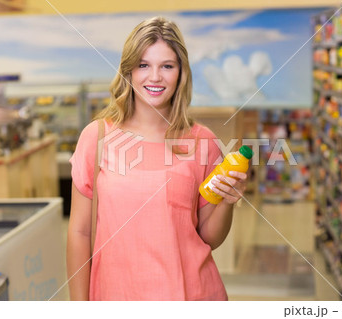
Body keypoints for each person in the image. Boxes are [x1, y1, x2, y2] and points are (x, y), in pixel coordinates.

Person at [67, 16, 248, 301]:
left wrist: (228, 200)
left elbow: (209, 238)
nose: (155, 77)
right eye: (143, 65)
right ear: (128, 71)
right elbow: (79, 232)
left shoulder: (203, 142)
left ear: (181, 73)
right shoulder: (97, 138)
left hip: (191, 295)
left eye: (167, 66)